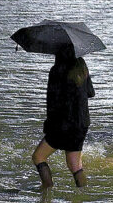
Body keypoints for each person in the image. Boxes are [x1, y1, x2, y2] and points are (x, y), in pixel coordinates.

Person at [32, 48, 95, 188]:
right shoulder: (82, 66)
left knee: (38, 157)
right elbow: (91, 93)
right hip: (81, 124)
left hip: (63, 124)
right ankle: (81, 200)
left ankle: (46, 192)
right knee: (75, 165)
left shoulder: (56, 70)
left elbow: (52, 102)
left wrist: (48, 126)